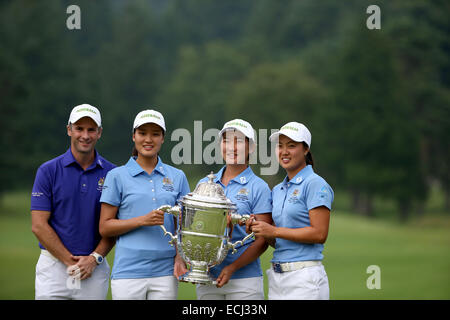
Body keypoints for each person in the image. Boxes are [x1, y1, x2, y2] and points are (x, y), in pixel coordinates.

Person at [99, 109, 190, 300]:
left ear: (163, 138)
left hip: (166, 272)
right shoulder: (117, 176)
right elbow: (105, 227)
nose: (148, 139)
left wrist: (180, 257)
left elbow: (184, 226)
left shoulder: (177, 176)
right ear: (134, 136)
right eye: (142, 133)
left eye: (155, 134)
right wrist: (142, 220)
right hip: (128, 272)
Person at [30, 104, 116, 300]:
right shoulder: (48, 171)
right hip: (53, 267)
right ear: (69, 130)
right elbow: (38, 225)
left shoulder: (113, 174)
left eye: (91, 130)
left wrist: (93, 260)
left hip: (94, 267)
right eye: (79, 128)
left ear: (99, 133)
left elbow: (114, 226)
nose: (85, 135)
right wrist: (71, 262)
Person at [248, 121, 334, 300]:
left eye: (291, 146)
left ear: (305, 149)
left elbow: (319, 234)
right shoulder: (278, 189)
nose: (284, 151)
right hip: (278, 277)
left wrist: (274, 230)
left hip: (305, 277)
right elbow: (277, 240)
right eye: (280, 146)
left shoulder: (315, 183)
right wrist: (260, 230)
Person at [195, 119, 272, 300]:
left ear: (251, 148)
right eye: (226, 141)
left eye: (238, 141)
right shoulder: (204, 184)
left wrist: (232, 267)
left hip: (245, 281)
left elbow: (263, 241)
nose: (232, 147)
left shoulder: (259, 187)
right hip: (208, 277)